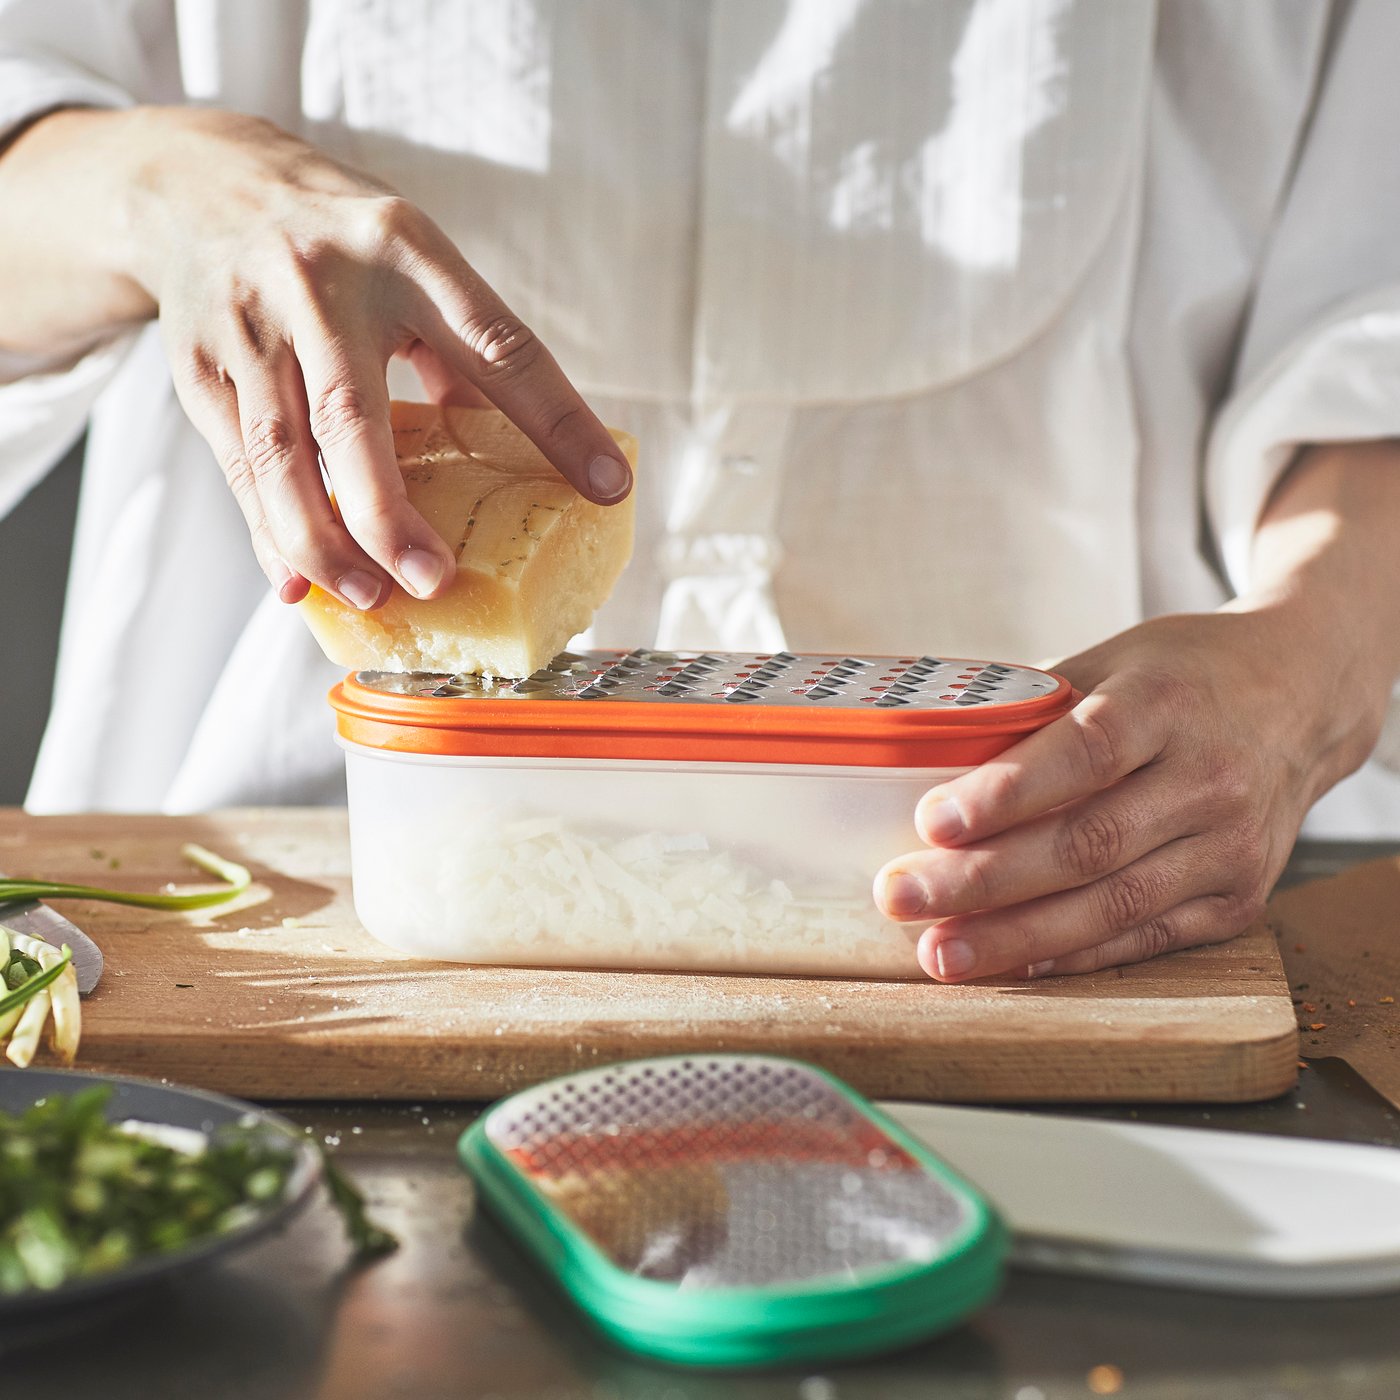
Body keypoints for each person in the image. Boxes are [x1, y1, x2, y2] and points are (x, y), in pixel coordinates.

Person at [3, 0, 1400, 985]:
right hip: (292, 889)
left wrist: (1309, 663)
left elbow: (1370, 315)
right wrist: (158, 186)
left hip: (1059, 894)